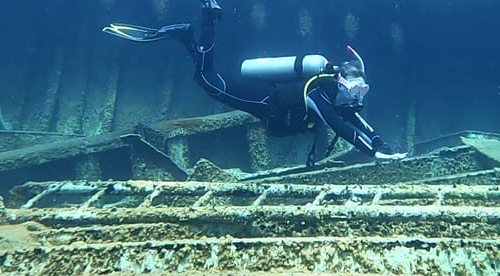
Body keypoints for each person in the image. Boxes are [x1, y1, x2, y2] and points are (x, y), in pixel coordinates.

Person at [103, 0, 406, 166]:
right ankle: (207, 18)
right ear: (340, 79)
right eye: (354, 88)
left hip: (270, 106)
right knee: (208, 81)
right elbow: (341, 127)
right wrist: (373, 153)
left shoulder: (334, 95)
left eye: (361, 90)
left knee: (206, 79)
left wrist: (382, 146)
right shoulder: (317, 91)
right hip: (264, 101)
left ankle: (185, 37)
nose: (356, 96)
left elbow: (358, 122)